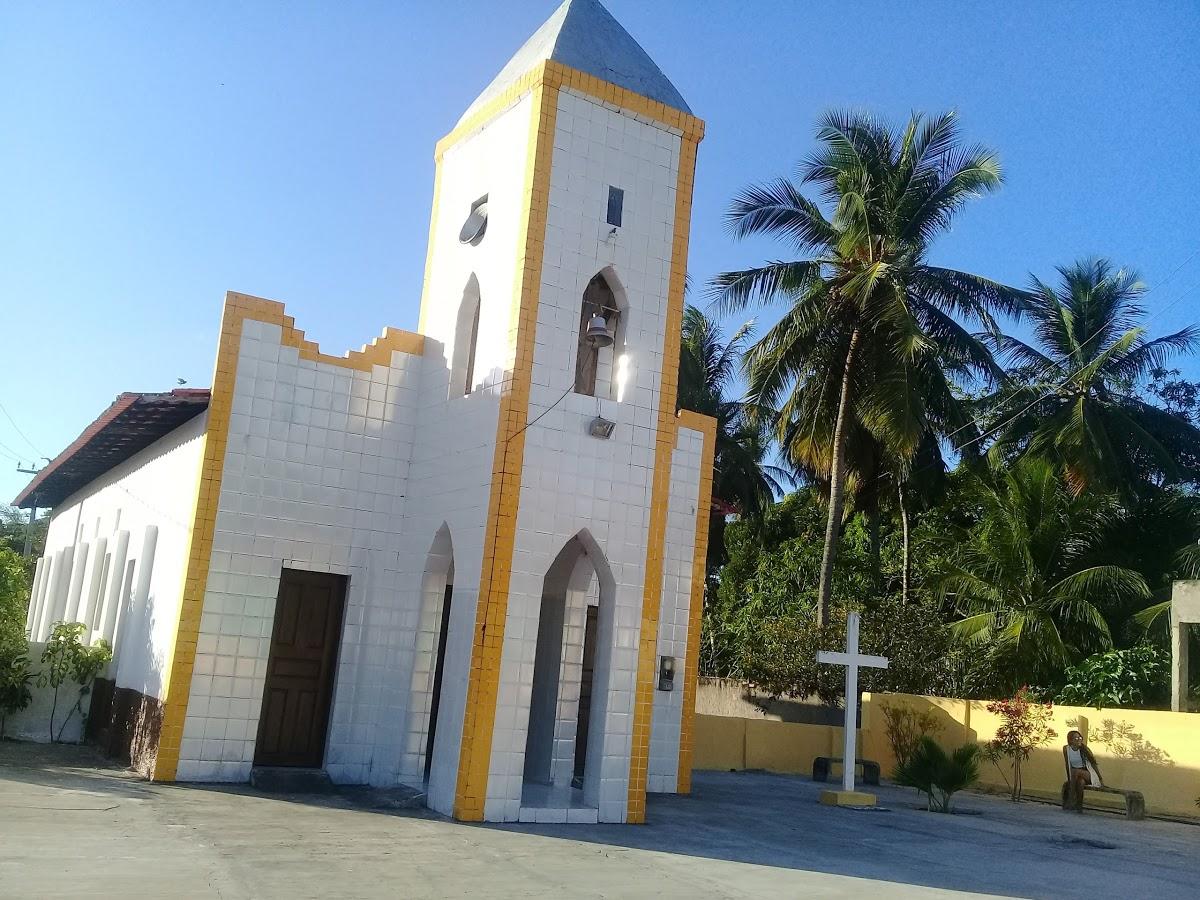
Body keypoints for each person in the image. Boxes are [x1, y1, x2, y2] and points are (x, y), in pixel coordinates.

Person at [1062, 730, 1103, 812]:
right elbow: (1067, 764)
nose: (1079, 740)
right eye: (1076, 738)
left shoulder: (1084, 749)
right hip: (1076, 776)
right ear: (1070, 740)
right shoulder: (1066, 749)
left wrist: (1100, 778)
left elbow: (1093, 764)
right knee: (1080, 783)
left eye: (1080, 738)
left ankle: (1071, 797)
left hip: (1088, 774)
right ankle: (1079, 806)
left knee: (1075, 771)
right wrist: (1069, 779)